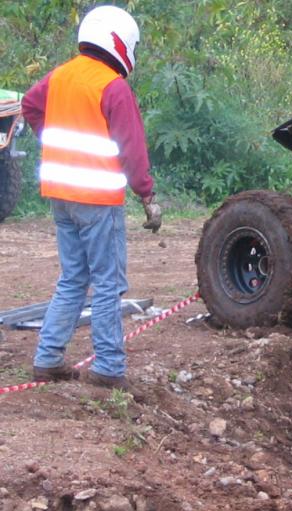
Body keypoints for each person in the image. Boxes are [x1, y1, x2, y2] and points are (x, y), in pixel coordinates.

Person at [22, 5, 161, 390]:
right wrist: (147, 195)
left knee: (72, 278)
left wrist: (55, 145)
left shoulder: (61, 76)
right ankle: (109, 368)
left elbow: (30, 106)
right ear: (121, 43)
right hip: (97, 198)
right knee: (107, 284)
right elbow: (132, 149)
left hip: (60, 195)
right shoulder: (112, 86)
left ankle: (47, 359)